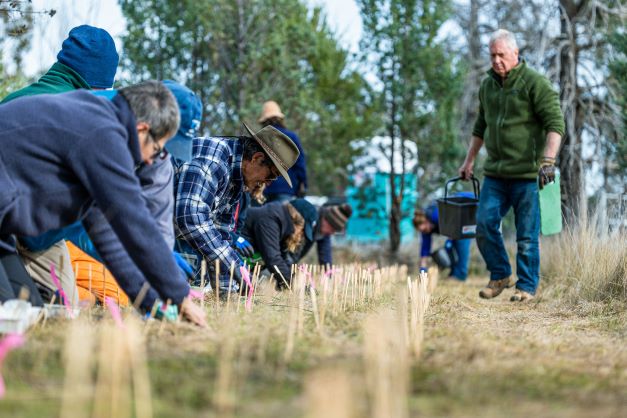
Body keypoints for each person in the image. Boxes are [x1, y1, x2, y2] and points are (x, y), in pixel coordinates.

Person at [0, 80, 206, 326]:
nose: (153, 161)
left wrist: (150, 302)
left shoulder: (101, 127)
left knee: (29, 315)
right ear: (141, 129)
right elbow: (133, 219)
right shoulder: (102, 133)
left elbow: (106, 235)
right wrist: (179, 296)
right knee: (8, 320)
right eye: (157, 149)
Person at [1, 24, 120, 307]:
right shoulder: (77, 119)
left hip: (21, 221)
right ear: (99, 84)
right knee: (55, 305)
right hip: (25, 224)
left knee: (56, 301)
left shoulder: (12, 100)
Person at [458, 29, 564, 302]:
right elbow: (480, 127)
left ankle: (526, 287)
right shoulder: (487, 86)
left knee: (526, 237)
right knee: (483, 224)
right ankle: (501, 274)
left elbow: (555, 124)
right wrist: (469, 160)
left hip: (528, 176)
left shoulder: (534, 83)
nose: (496, 60)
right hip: (495, 174)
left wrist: (548, 161)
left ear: (515, 53)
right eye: (492, 55)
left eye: (501, 55)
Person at [174, 123, 300, 292]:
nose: (268, 183)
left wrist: (230, 291)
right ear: (256, 158)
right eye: (271, 175)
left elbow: (221, 234)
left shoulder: (236, 180)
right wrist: (234, 264)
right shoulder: (214, 159)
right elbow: (190, 217)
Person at [236, 199, 352, 286]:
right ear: (297, 219)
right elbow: (273, 258)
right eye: (303, 229)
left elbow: (284, 256)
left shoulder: (283, 226)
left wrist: (294, 280)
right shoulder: (270, 220)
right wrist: (293, 285)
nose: (301, 235)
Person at [412, 194, 474, 281]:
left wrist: (449, 241)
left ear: (426, 221)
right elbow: (424, 252)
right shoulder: (425, 231)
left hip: (467, 204)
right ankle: (453, 273)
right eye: (423, 231)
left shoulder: (435, 215)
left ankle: (460, 275)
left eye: (425, 229)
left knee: (461, 242)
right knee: (450, 248)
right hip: (455, 224)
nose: (426, 231)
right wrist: (423, 271)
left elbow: (454, 224)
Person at [258, 101, 307, 202]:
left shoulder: (258, 138)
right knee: (282, 217)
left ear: (264, 121)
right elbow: (300, 164)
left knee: (262, 217)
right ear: (279, 119)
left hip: (262, 190)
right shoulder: (291, 137)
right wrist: (303, 182)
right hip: (285, 190)